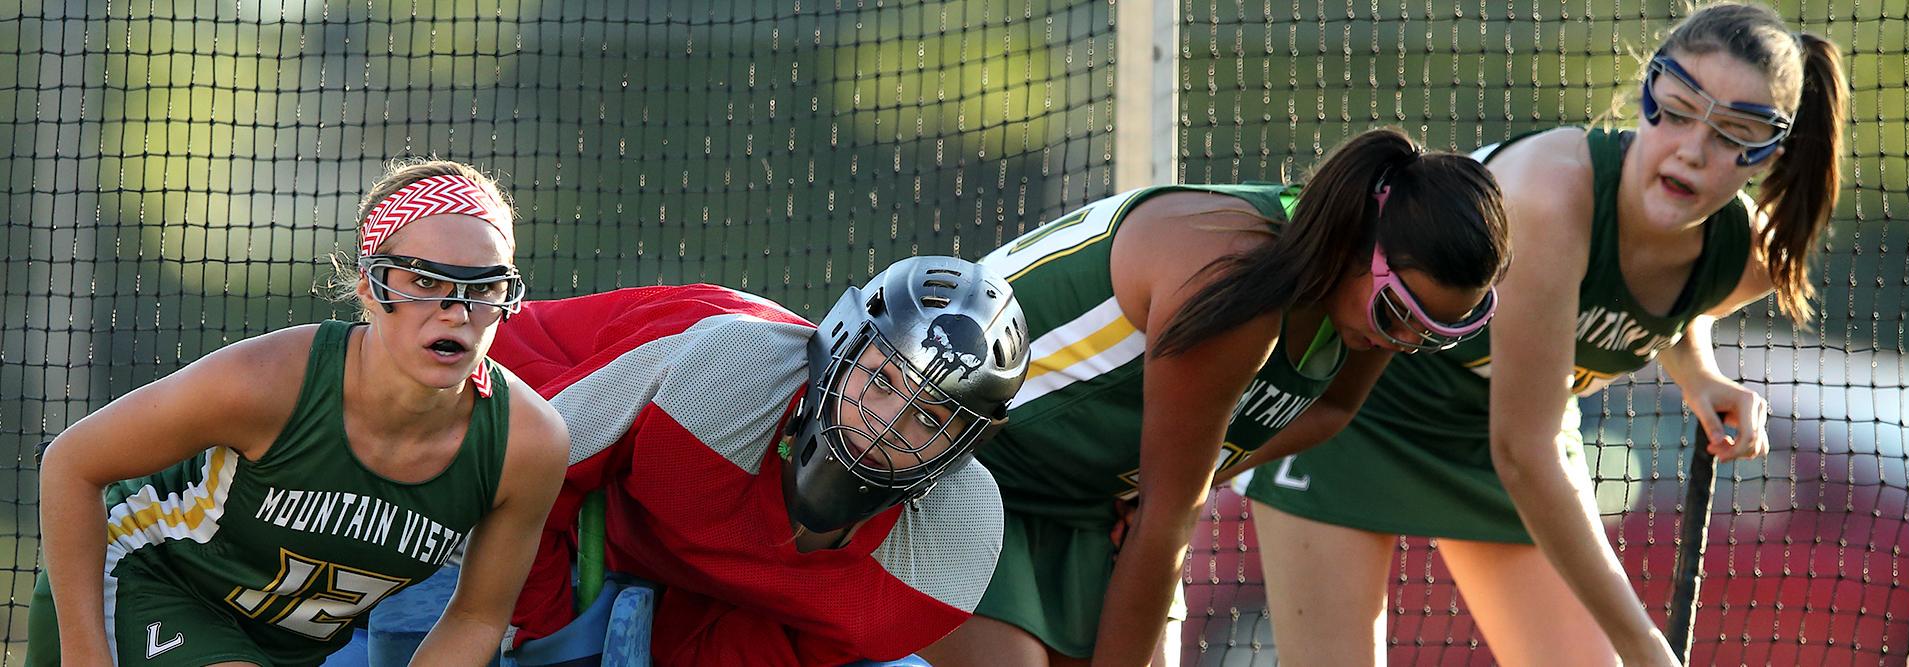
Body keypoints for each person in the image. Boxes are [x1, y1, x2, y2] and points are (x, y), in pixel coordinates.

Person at [1244, 4, 1849, 665]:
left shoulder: (1747, 259)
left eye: (1733, 131)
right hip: (1362, 405)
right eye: (1675, 111)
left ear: (1770, 152)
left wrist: (1698, 374)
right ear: (1645, 93)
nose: (1692, 149)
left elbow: (1673, 306)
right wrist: (1648, 645)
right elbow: (1525, 451)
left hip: (1509, 432)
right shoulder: (1550, 198)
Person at [918, 127, 1513, 666]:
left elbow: (1331, 410)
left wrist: (1179, 477)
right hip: (957, 467)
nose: (1404, 342)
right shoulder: (1238, 284)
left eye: (1435, 334)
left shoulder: (1358, 292)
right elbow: (1167, 519)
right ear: (1358, 241)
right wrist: (1167, 489)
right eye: (1397, 314)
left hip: (1082, 503)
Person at [29, 160, 571, 666]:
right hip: (143, 578)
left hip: (282, 647)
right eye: (425, 282)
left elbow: (475, 618)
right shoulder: (270, 381)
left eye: (483, 287)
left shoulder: (526, 442)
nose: (457, 311)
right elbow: (71, 464)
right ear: (369, 284)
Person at [487, 255, 1030, 666]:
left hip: (666, 575)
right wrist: (550, 637)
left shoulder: (947, 556)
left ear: (966, 446)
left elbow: (768, 650)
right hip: (493, 436)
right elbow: (518, 477)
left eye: (930, 420)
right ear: (840, 343)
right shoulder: (722, 376)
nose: (884, 423)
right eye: (882, 379)